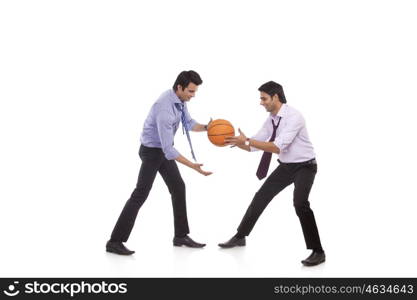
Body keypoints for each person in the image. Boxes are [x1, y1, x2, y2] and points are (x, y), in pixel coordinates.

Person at [219, 81, 325, 266]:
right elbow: (256, 144)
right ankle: (240, 236)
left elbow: (277, 146)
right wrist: (238, 143)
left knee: (300, 203)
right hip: (286, 166)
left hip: (305, 166)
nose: (261, 102)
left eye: (264, 98)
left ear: (275, 97)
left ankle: (318, 251)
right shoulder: (272, 119)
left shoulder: (294, 117)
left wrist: (249, 141)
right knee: (260, 197)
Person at [106, 70, 212, 255]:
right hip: (151, 152)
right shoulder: (164, 108)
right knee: (141, 193)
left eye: (194, 92)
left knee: (178, 187)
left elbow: (188, 123)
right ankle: (114, 242)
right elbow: (168, 150)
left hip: (161, 150)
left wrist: (207, 128)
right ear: (179, 87)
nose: (193, 95)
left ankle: (180, 236)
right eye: (191, 91)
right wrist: (193, 166)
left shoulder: (179, 101)